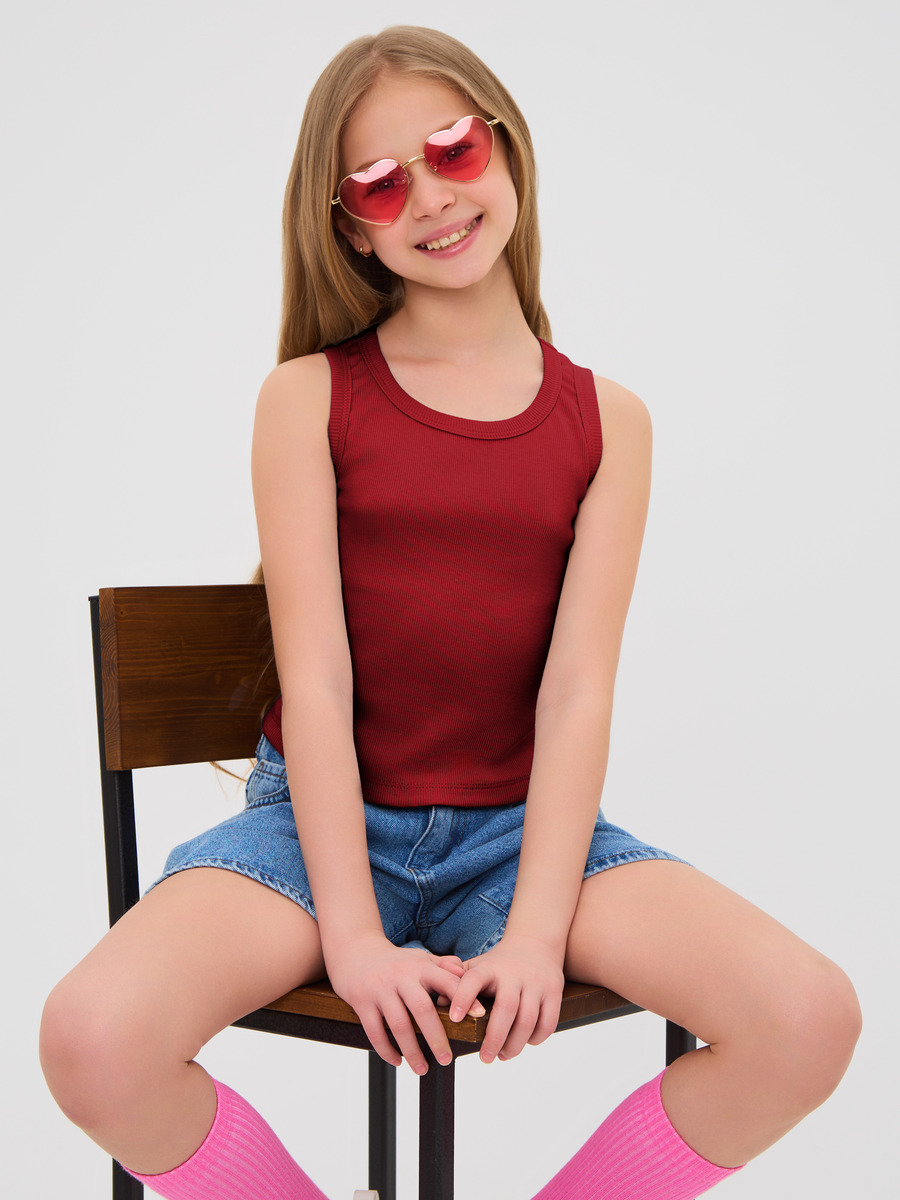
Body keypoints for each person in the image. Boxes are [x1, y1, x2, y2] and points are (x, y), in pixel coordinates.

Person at [40, 25, 861, 1200]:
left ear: (506, 148)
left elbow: (576, 691)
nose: (430, 196)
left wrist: (534, 932)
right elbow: (318, 680)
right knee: (92, 1038)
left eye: (453, 151)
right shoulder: (307, 400)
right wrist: (354, 937)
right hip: (314, 835)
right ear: (348, 224)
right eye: (381, 182)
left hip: (521, 839)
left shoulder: (610, 421)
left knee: (807, 1016)